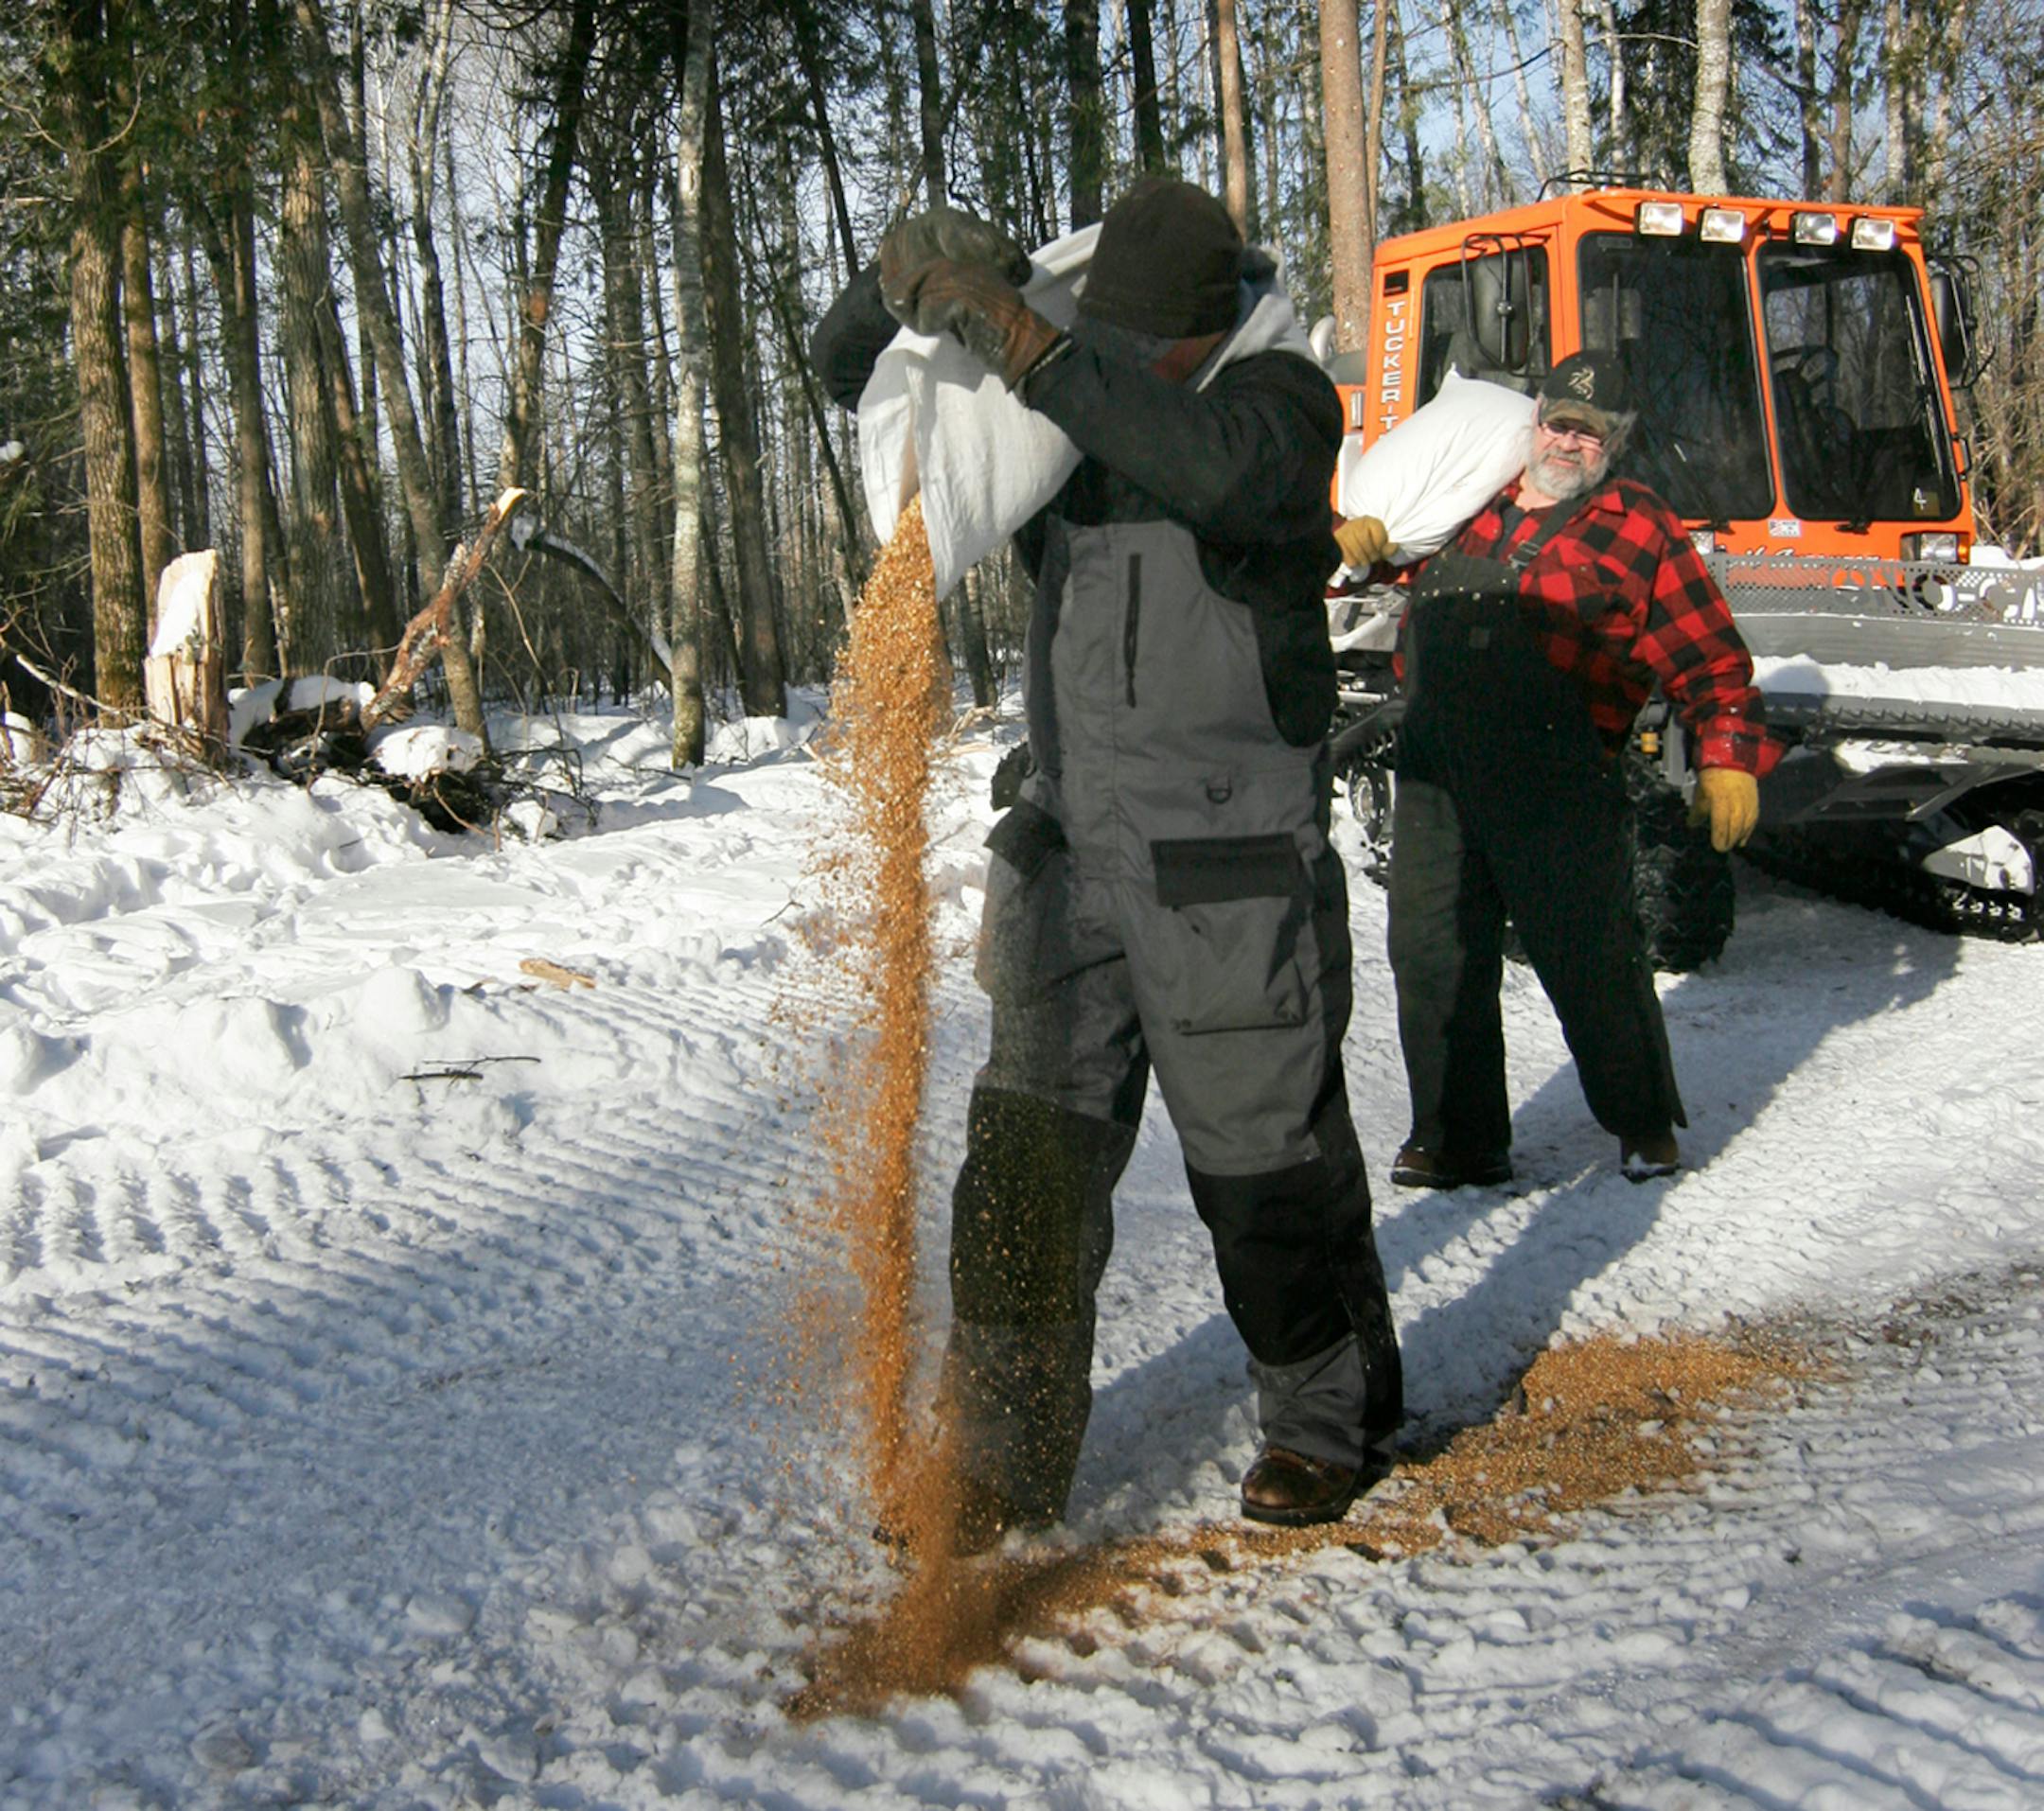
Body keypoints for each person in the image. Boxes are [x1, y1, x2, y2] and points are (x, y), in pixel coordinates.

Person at [811, 177, 1402, 1539]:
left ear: (1210, 329)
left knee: (1266, 1168)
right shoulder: (1058, 421)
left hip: (1228, 868)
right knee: (1025, 1164)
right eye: (1106, 340)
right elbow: (851, 372)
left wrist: (1035, 344)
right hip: (1070, 847)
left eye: (1150, 346)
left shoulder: (1279, 403)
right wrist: (908, 283)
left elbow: (1216, 470)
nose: (1124, 362)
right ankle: (1000, 1460)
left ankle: (1328, 1420)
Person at [1335, 351, 1777, 1191]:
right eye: (1559, 423)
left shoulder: (1639, 523)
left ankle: (1643, 1122)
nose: (1569, 442)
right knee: (1433, 954)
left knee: (1590, 954)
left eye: (1592, 431)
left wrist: (1726, 760)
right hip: (1435, 771)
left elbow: (1711, 658)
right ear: (1534, 420)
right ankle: (1459, 1138)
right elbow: (1380, 554)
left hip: (1556, 776)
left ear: (1617, 442)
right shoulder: (1472, 495)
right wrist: (1361, 537)